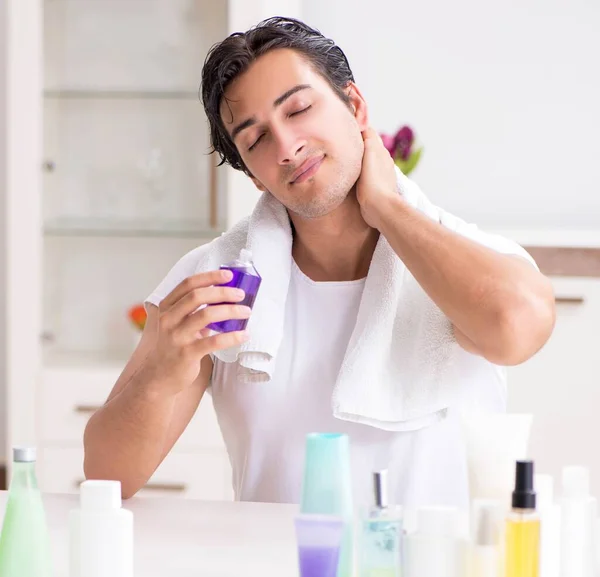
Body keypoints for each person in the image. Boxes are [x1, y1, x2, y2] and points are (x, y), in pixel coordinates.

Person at [83, 17, 555, 509]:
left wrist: (387, 208)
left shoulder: (458, 256)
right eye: (256, 140)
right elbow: (106, 476)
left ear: (355, 107)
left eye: (300, 109)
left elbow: (517, 329)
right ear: (254, 176)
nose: (287, 147)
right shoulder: (217, 281)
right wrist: (165, 368)